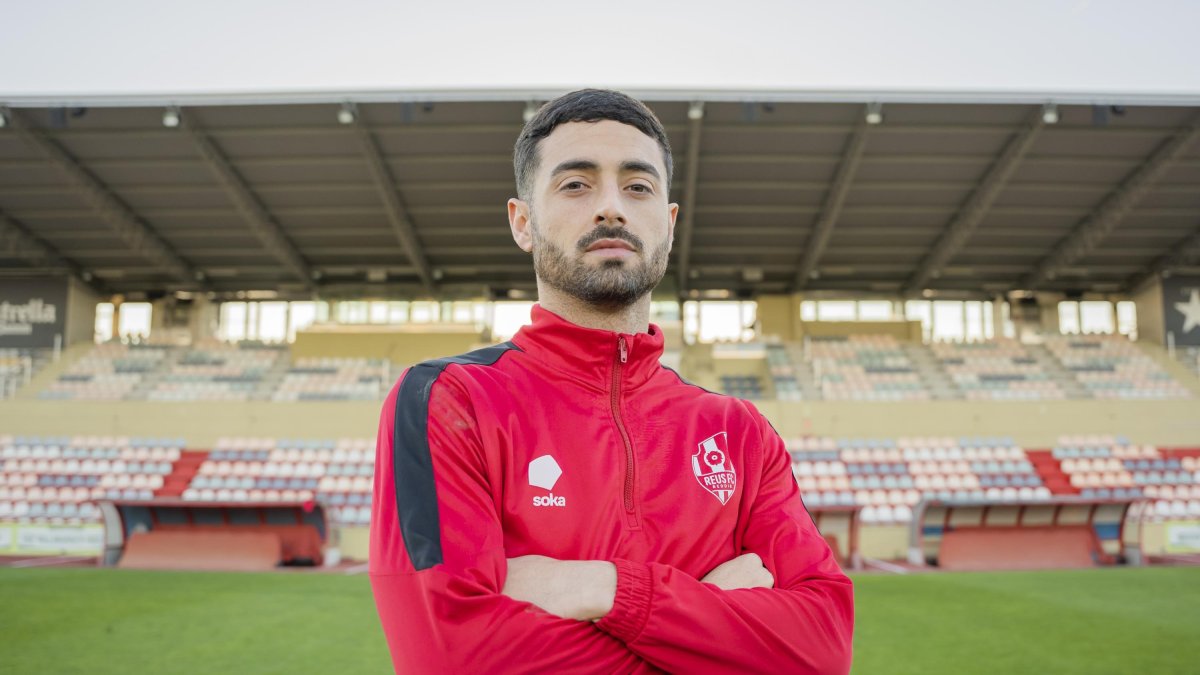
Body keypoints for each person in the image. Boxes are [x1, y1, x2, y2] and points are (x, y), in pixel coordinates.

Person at [370, 89, 854, 674]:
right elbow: (449, 657)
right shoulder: (449, 400)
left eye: (638, 186)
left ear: (668, 225)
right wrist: (713, 614)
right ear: (523, 223)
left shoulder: (738, 432)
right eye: (575, 184)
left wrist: (606, 590)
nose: (611, 208)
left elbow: (822, 648)